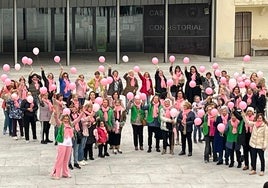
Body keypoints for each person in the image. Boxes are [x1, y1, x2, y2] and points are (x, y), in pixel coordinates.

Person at [51, 109, 84, 180]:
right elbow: (56, 120)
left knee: (66, 160)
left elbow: (77, 120)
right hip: (62, 144)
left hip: (69, 144)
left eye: (67, 119)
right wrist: (55, 115)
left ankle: (65, 173)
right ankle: (56, 173)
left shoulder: (71, 124)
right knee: (60, 159)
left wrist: (82, 113)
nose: (66, 120)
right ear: (62, 119)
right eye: (64, 119)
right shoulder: (61, 124)